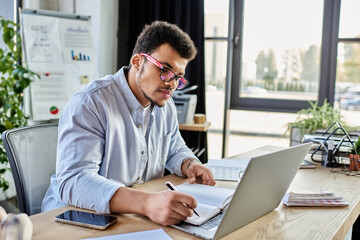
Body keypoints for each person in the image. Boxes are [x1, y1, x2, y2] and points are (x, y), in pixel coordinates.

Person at [42, 21, 215, 226]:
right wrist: (148, 203)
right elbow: (74, 180)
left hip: (132, 215)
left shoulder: (164, 106)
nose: (171, 83)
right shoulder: (91, 102)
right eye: (165, 70)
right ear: (137, 62)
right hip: (73, 218)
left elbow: (174, 148)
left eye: (178, 77)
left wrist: (190, 164)